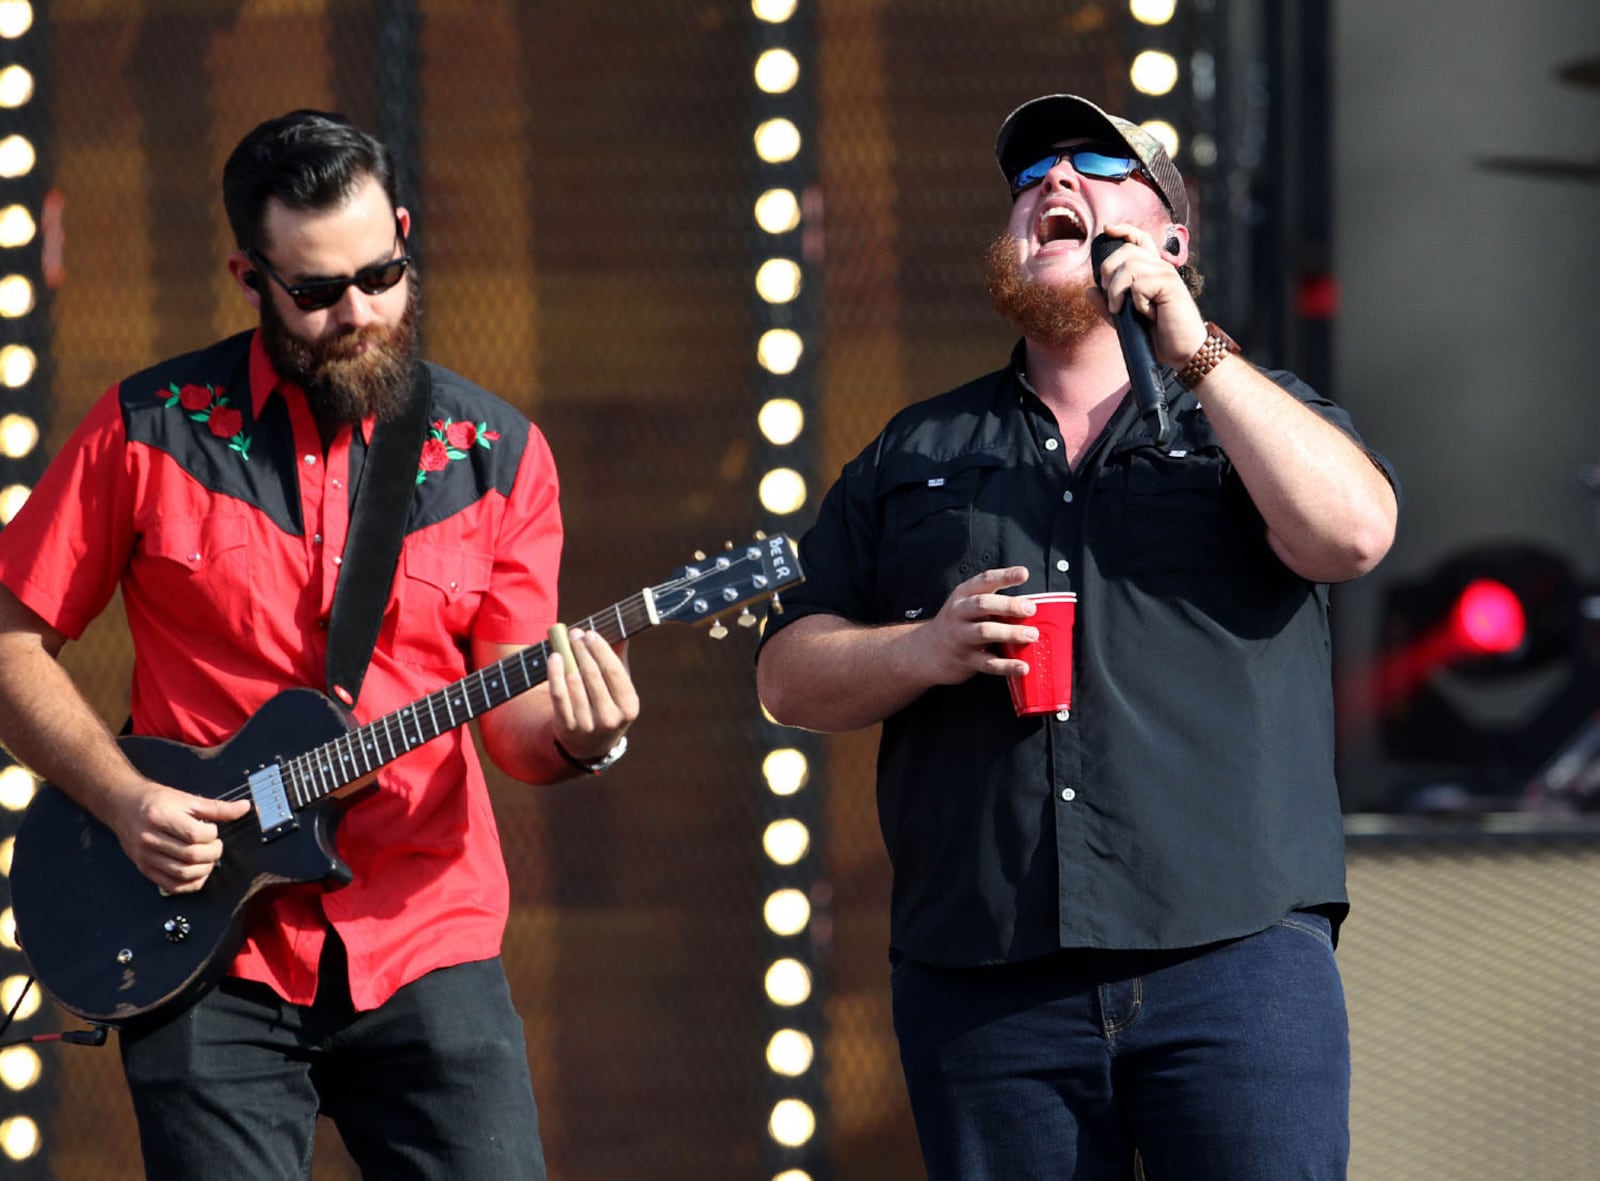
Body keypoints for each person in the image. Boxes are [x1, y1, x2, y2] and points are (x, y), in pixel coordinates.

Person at [756, 93, 1399, 1179]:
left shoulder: (1248, 417)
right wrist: (925, 646)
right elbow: (784, 673)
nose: (1056, 184)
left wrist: (1194, 351)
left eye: (1101, 165)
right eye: (1030, 179)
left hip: (1232, 952)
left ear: (1172, 241)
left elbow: (1352, 532)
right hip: (986, 972)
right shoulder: (918, 447)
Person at [0, 110, 638, 1179]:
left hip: (424, 925)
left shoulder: (497, 456)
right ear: (250, 278)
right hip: (202, 942)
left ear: (400, 231)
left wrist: (587, 734)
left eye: (382, 274)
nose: (360, 313)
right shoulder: (150, 426)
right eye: (318, 292)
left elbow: (519, 734)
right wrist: (122, 799)